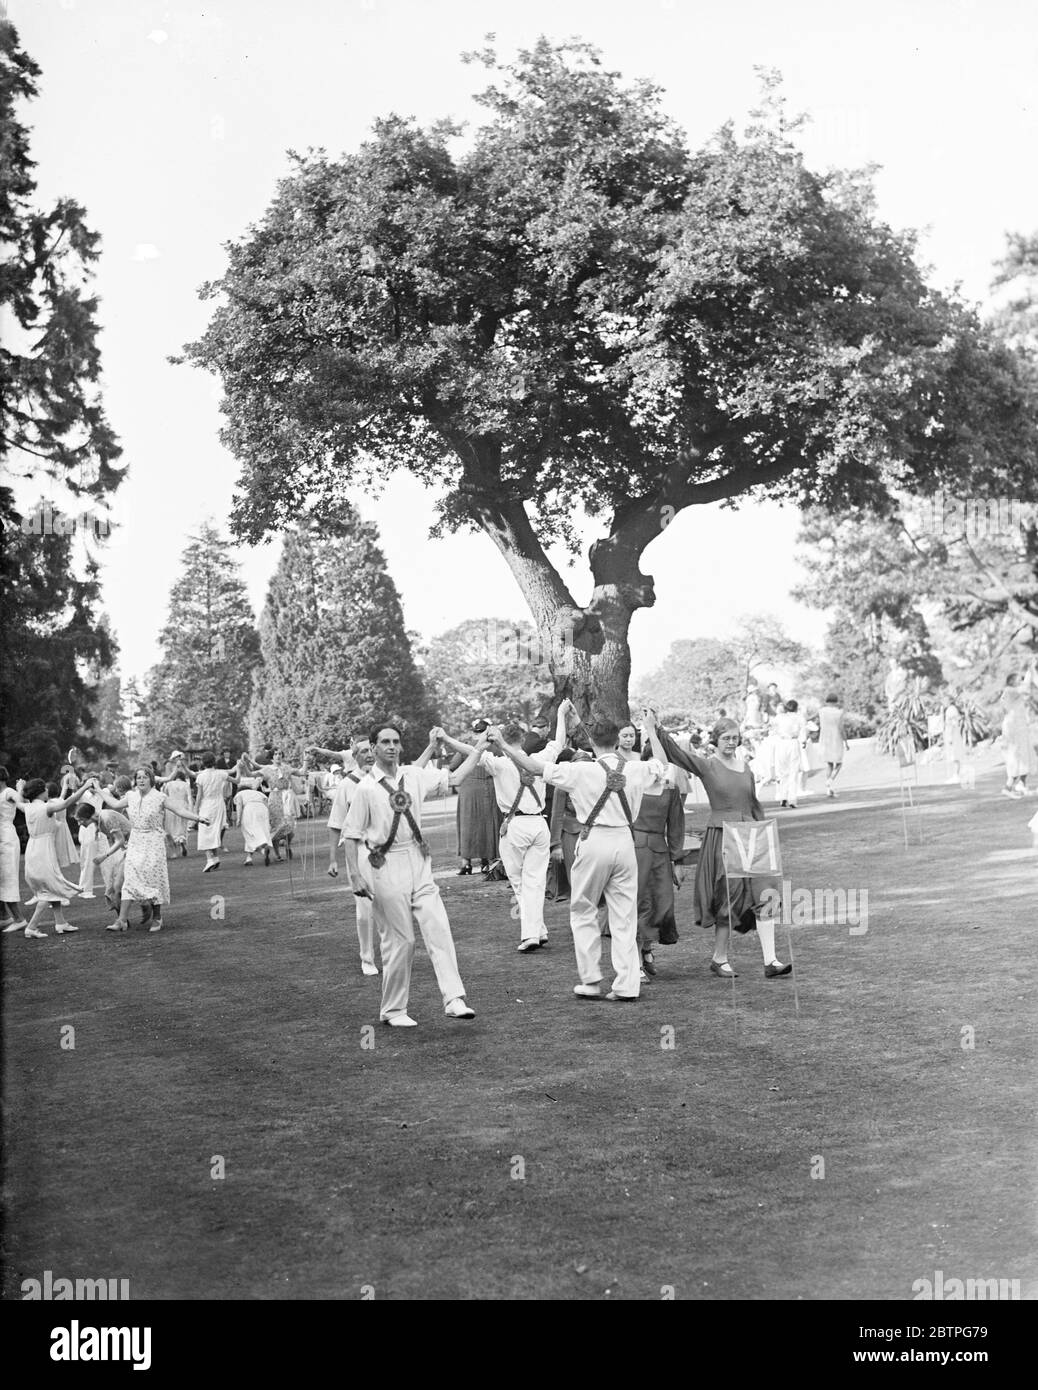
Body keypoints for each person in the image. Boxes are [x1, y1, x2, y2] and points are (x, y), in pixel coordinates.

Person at [496, 700, 667, 1002]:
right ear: (618, 740)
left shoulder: (580, 770)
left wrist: (502, 745)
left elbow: (534, 766)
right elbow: (663, 767)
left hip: (593, 840)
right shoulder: (637, 768)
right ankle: (627, 984)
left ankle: (590, 981)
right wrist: (651, 730)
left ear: (593, 741)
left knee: (584, 910)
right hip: (625, 842)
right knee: (623, 916)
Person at [342, 722, 482, 1028]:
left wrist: (481, 747)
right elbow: (350, 835)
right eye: (385, 742)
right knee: (401, 940)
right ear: (374, 748)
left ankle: (454, 999)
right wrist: (355, 876)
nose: (391, 747)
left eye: (396, 742)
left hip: (419, 861)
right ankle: (393, 1010)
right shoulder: (365, 788)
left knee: (439, 927)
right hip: (384, 865)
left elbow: (456, 777)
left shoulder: (414, 775)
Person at [644, 711, 791, 980]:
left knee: (765, 894)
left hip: (751, 836)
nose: (731, 742)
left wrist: (762, 837)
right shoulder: (708, 765)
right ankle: (719, 958)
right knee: (728, 897)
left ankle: (771, 960)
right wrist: (656, 729)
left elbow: (753, 804)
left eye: (735, 737)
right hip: (724, 837)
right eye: (726, 737)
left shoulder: (746, 768)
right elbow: (676, 755)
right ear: (716, 740)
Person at [445, 721, 551, 953]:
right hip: (540, 823)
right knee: (535, 881)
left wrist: (447, 739)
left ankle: (531, 934)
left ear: (501, 741)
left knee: (520, 882)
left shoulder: (499, 763)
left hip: (515, 826)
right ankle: (539, 929)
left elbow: (468, 750)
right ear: (522, 739)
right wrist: (562, 715)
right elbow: (560, 741)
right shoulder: (540, 758)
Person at [102, 768, 210, 931]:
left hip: (153, 841)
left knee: (153, 878)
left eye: (145, 777)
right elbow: (115, 803)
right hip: (136, 841)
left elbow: (179, 810)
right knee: (130, 878)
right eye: (138, 778)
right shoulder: (131, 796)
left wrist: (199, 818)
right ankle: (121, 920)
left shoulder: (160, 797)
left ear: (151, 779)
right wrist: (96, 789)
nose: (141, 780)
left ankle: (157, 917)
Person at [326, 738, 380, 976]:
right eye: (364, 751)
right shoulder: (347, 785)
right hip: (357, 851)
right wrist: (332, 859)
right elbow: (336, 824)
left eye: (372, 750)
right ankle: (367, 958)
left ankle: (392, 954)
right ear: (354, 756)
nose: (369, 755)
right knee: (365, 908)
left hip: (386, 851)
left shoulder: (385, 779)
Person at [18, 776, 96, 937]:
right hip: (44, 850)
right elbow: (67, 802)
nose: (47, 790)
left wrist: (20, 789)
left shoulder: (27, 807)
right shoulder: (45, 808)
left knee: (51, 885)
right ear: (40, 792)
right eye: (45, 789)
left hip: (33, 850)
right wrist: (85, 786)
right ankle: (31, 927)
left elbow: (19, 801)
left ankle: (60, 923)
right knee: (48, 888)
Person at [632, 759, 686, 980]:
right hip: (634, 851)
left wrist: (678, 861)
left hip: (660, 853)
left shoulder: (671, 790)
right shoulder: (632, 785)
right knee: (638, 904)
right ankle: (634, 964)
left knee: (661, 904)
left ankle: (646, 950)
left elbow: (676, 825)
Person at [452, 718, 500, 874]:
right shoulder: (495, 747)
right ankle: (488, 860)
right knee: (488, 823)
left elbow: (453, 765)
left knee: (468, 824)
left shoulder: (466, 746)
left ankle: (466, 862)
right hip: (489, 787)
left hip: (469, 788)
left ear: (473, 732)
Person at [999, 665, 1036, 798]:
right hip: (1014, 728)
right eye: (1017, 680)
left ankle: (1021, 784)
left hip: (1018, 726)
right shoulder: (1009, 690)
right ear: (1011, 682)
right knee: (1016, 756)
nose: (1020, 681)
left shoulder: (1013, 691)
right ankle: (1008, 787)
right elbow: (1025, 687)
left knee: (1024, 755)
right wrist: (1030, 670)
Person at [0, 767, 27, 931]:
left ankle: (19, 919)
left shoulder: (8, 792)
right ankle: (4, 917)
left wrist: (20, 790)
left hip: (7, 838)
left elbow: (22, 804)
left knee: (7, 876)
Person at [194, 753, 230, 872]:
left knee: (205, 832)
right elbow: (237, 779)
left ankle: (210, 859)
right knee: (214, 831)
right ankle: (215, 858)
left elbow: (199, 796)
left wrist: (195, 810)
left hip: (207, 805)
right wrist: (239, 768)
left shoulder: (201, 776)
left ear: (204, 762)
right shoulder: (220, 773)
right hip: (219, 804)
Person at [772, 699, 808, 809]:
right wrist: (804, 741)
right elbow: (803, 732)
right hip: (793, 742)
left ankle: (783, 797)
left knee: (783, 772)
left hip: (781, 743)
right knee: (793, 771)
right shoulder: (799, 717)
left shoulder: (779, 717)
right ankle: (792, 799)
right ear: (796, 708)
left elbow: (774, 729)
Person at [818, 694, 850, 798]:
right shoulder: (839, 712)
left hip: (825, 739)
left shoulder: (821, 711)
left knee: (829, 763)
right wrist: (846, 742)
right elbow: (841, 728)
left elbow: (810, 718)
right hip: (836, 738)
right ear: (836, 701)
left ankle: (828, 788)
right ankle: (830, 781)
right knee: (839, 763)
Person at [235, 784, 274, 866]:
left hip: (250, 809)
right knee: (258, 832)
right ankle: (249, 858)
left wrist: (238, 818)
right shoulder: (258, 793)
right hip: (263, 809)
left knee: (250, 834)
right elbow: (267, 804)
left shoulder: (240, 794)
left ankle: (263, 849)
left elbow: (239, 804)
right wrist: (270, 817)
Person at [163, 765, 194, 857]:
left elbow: (164, 796)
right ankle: (182, 841)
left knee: (172, 827)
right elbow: (189, 797)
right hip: (183, 806)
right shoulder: (186, 785)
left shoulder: (169, 784)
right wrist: (191, 809)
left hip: (172, 806)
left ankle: (174, 851)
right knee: (182, 826)